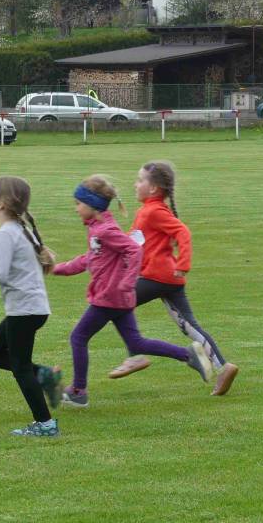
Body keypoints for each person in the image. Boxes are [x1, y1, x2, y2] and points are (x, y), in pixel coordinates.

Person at [52, 174, 212, 407]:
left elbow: (134, 250)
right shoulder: (98, 229)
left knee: (78, 337)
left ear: (92, 205)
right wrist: (57, 269)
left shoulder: (105, 230)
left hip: (109, 298)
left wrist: (126, 283)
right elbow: (89, 258)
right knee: (136, 344)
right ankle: (189, 355)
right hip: (118, 298)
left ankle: (78, 391)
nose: (76, 208)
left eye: (78, 203)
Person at [108, 161, 239, 396]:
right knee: (188, 325)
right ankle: (223, 366)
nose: (135, 184)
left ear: (153, 188)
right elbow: (134, 240)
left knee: (114, 303)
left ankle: (135, 355)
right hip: (168, 279)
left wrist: (184, 263)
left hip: (157, 276)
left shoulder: (153, 211)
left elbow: (182, 232)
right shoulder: (148, 211)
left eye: (140, 180)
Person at [0, 176, 63, 437]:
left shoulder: (5, 234)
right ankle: (45, 375)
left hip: (25, 310)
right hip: (32, 309)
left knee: (20, 367)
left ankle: (45, 425)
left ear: (2, 203)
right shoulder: (19, 230)